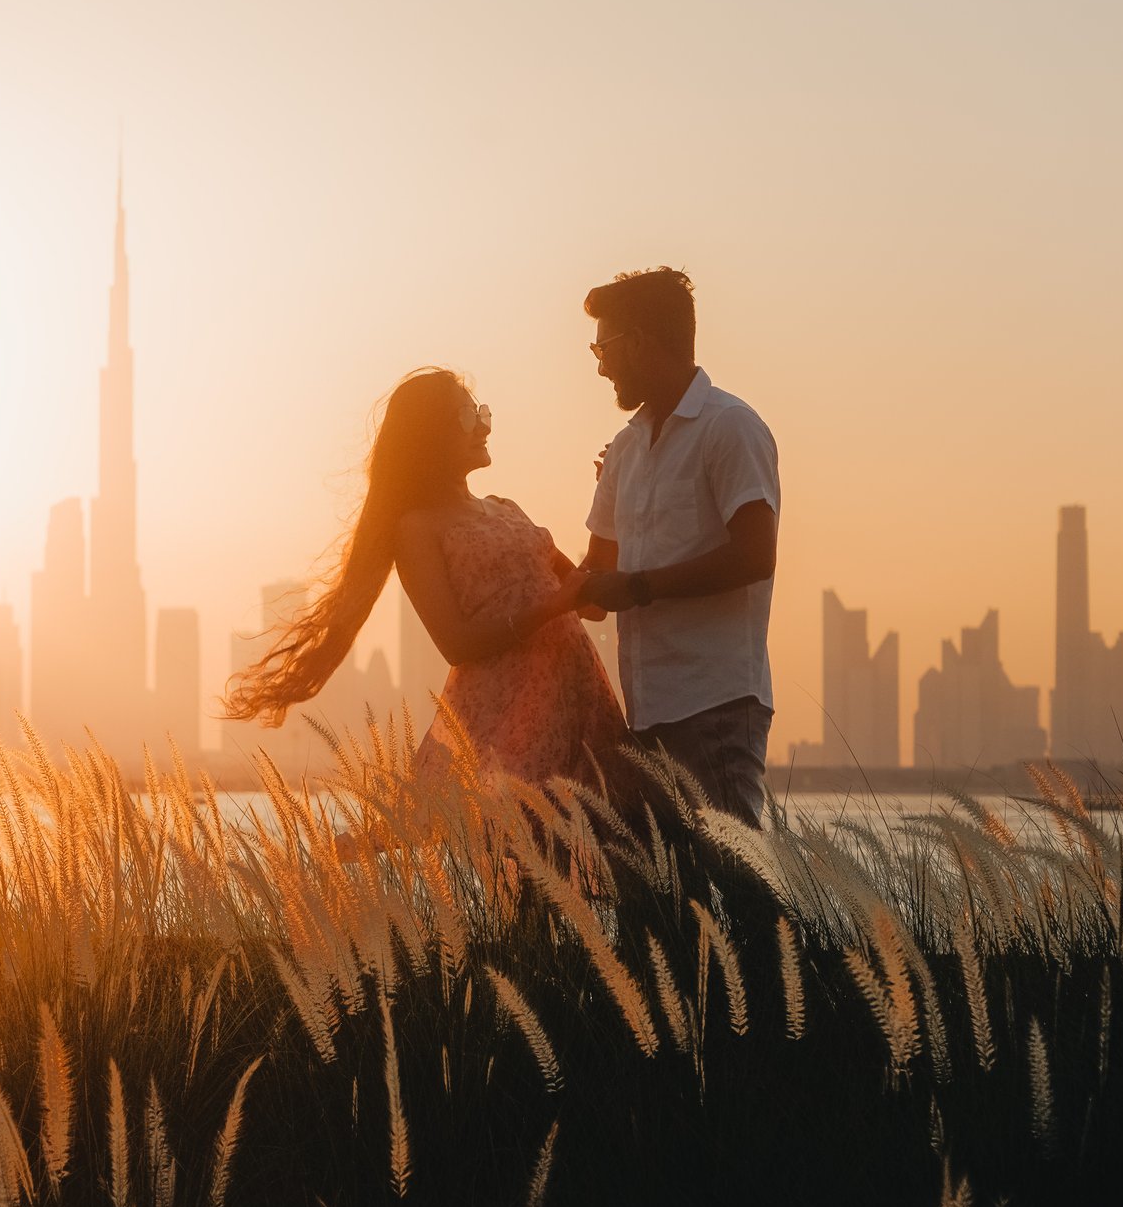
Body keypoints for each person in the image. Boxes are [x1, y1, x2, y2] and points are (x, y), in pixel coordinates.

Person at [221, 368, 626, 785]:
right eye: (468, 416)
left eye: (483, 412)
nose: (484, 426)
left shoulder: (508, 509)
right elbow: (455, 641)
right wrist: (553, 606)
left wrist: (611, 495)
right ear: (430, 435)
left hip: (579, 701)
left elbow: (591, 602)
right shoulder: (418, 529)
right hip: (510, 718)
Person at [577, 269, 780, 826]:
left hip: (714, 702)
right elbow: (595, 585)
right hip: (644, 712)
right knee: (671, 905)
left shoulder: (730, 427)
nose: (600, 365)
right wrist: (513, 542)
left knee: (744, 894)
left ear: (639, 342)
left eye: (604, 346)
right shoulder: (625, 450)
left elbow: (755, 555)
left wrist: (639, 588)